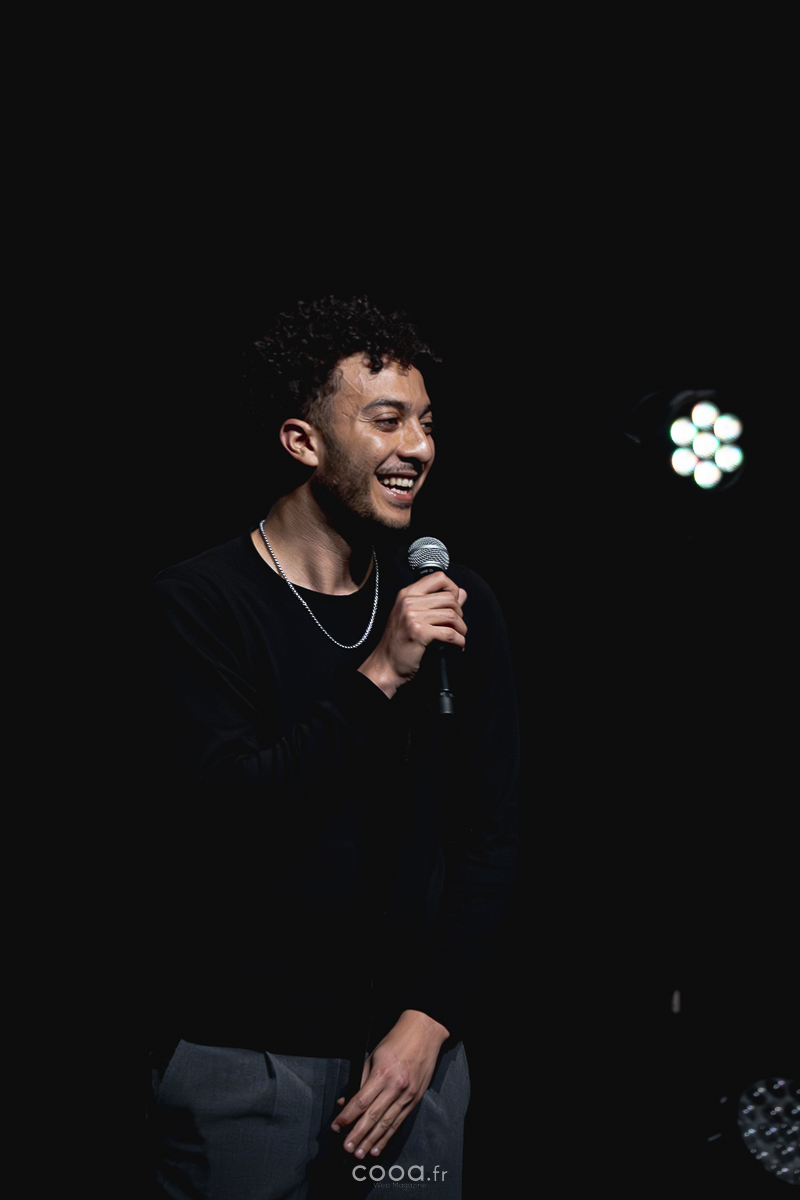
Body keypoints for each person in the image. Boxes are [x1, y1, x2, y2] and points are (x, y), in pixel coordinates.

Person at [148, 295, 518, 1198]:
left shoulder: (454, 602)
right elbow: (229, 815)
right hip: (245, 1056)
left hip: (414, 1066)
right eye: (387, 421)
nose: (418, 447)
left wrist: (430, 1020)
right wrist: (380, 673)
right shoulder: (201, 603)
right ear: (303, 442)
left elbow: (489, 837)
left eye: (427, 423)